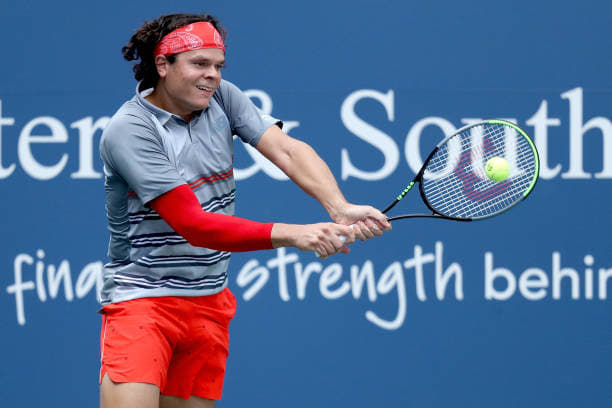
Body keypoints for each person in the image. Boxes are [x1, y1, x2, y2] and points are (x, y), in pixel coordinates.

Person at [98, 12, 391, 408]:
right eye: (199, 64)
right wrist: (295, 234)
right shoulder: (131, 129)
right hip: (143, 302)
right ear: (162, 65)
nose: (213, 75)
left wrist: (339, 207)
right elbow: (194, 225)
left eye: (218, 65)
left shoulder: (222, 97)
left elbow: (286, 149)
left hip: (209, 302)